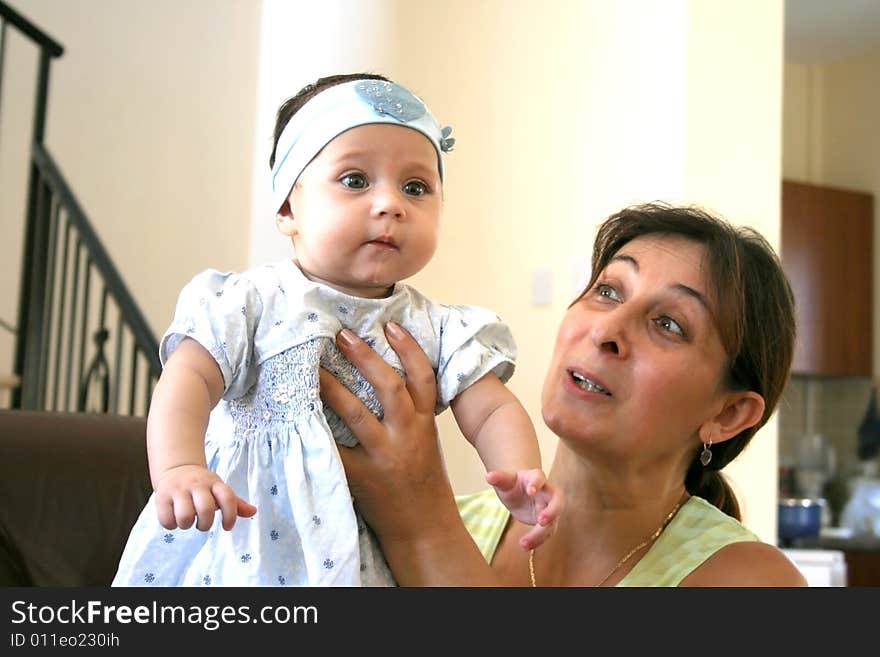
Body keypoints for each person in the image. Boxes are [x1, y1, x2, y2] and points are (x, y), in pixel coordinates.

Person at [111, 73, 562, 587]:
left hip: (364, 546)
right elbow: (188, 379)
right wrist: (178, 468)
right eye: (355, 180)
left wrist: (521, 471)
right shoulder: (251, 302)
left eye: (416, 187)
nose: (391, 203)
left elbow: (492, 408)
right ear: (287, 208)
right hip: (251, 537)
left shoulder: (438, 325)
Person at [319, 202, 809, 586]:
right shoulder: (449, 522)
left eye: (669, 324)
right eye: (609, 291)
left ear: (728, 414)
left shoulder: (751, 581)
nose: (607, 330)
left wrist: (421, 526)